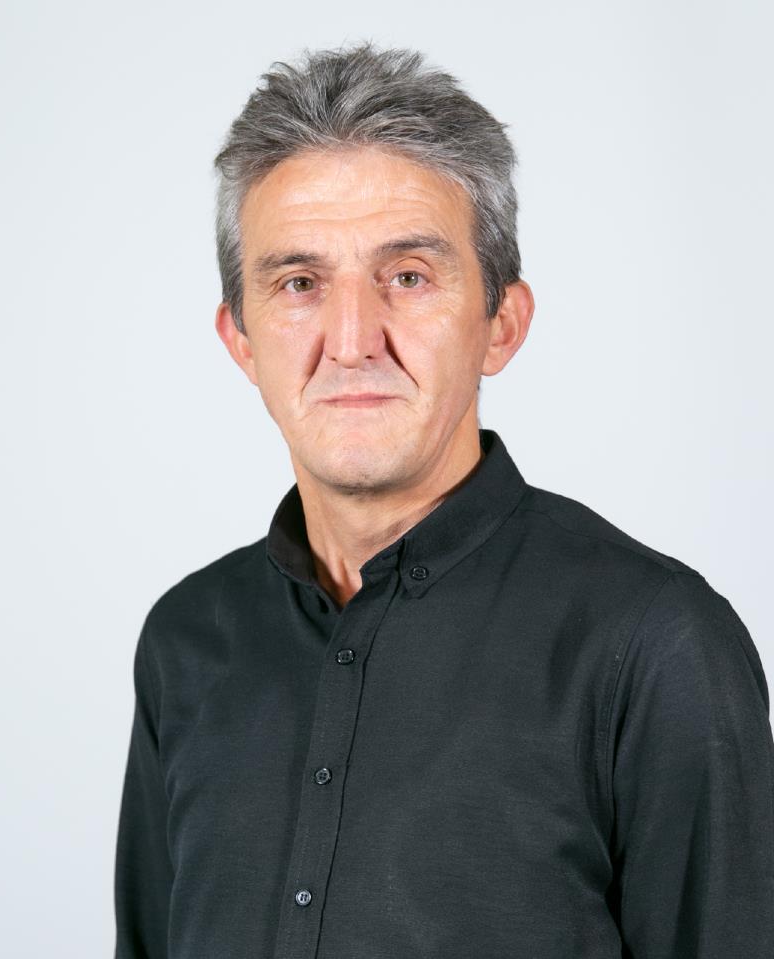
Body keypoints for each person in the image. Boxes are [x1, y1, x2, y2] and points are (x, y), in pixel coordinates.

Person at [113, 41, 774, 959]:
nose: (352, 339)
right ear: (242, 341)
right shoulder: (185, 640)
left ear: (501, 323)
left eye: (409, 276)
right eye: (300, 283)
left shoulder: (655, 645)